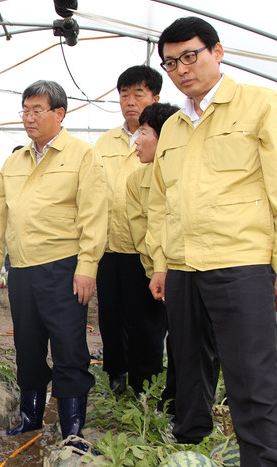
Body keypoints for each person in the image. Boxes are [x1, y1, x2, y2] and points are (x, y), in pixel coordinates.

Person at [148, 16, 277, 464]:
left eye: (190, 56)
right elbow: (165, 204)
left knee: (251, 378)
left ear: (216, 53)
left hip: (239, 262)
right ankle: (190, 442)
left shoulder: (260, 106)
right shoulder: (176, 127)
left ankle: (261, 457)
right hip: (184, 268)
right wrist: (162, 264)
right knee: (187, 364)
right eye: (170, 62)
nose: (181, 68)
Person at [0, 80, 106, 451]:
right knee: (28, 346)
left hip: (64, 268)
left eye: (37, 110)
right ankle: (30, 417)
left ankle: (72, 429)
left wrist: (87, 268)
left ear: (59, 114)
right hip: (22, 268)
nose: (29, 117)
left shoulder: (82, 155)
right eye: (25, 110)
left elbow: (94, 216)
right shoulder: (15, 161)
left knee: (69, 347)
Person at [94, 65, 166, 396]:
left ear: (155, 97)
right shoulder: (105, 142)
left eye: (139, 93)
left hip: (146, 251)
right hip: (110, 248)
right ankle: (116, 374)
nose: (130, 101)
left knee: (146, 322)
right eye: (124, 94)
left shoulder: (165, 140)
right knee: (111, 317)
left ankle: (145, 383)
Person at [125, 102, 180, 415]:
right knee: (156, 337)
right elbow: (143, 231)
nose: (137, 140)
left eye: (144, 132)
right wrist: (158, 270)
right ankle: (157, 400)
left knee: (188, 343)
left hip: (192, 269)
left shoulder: (186, 176)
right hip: (157, 271)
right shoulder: (137, 181)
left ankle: (180, 404)